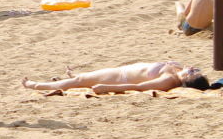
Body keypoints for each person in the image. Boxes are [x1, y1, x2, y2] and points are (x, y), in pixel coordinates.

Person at [22, 61, 211, 94]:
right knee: (82, 78)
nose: (193, 68)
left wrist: (107, 88)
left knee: (77, 82)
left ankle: (37, 85)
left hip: (119, 77)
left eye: (193, 72)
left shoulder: (168, 81)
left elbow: (139, 88)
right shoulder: (176, 70)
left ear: (187, 80)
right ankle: (78, 76)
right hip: (122, 70)